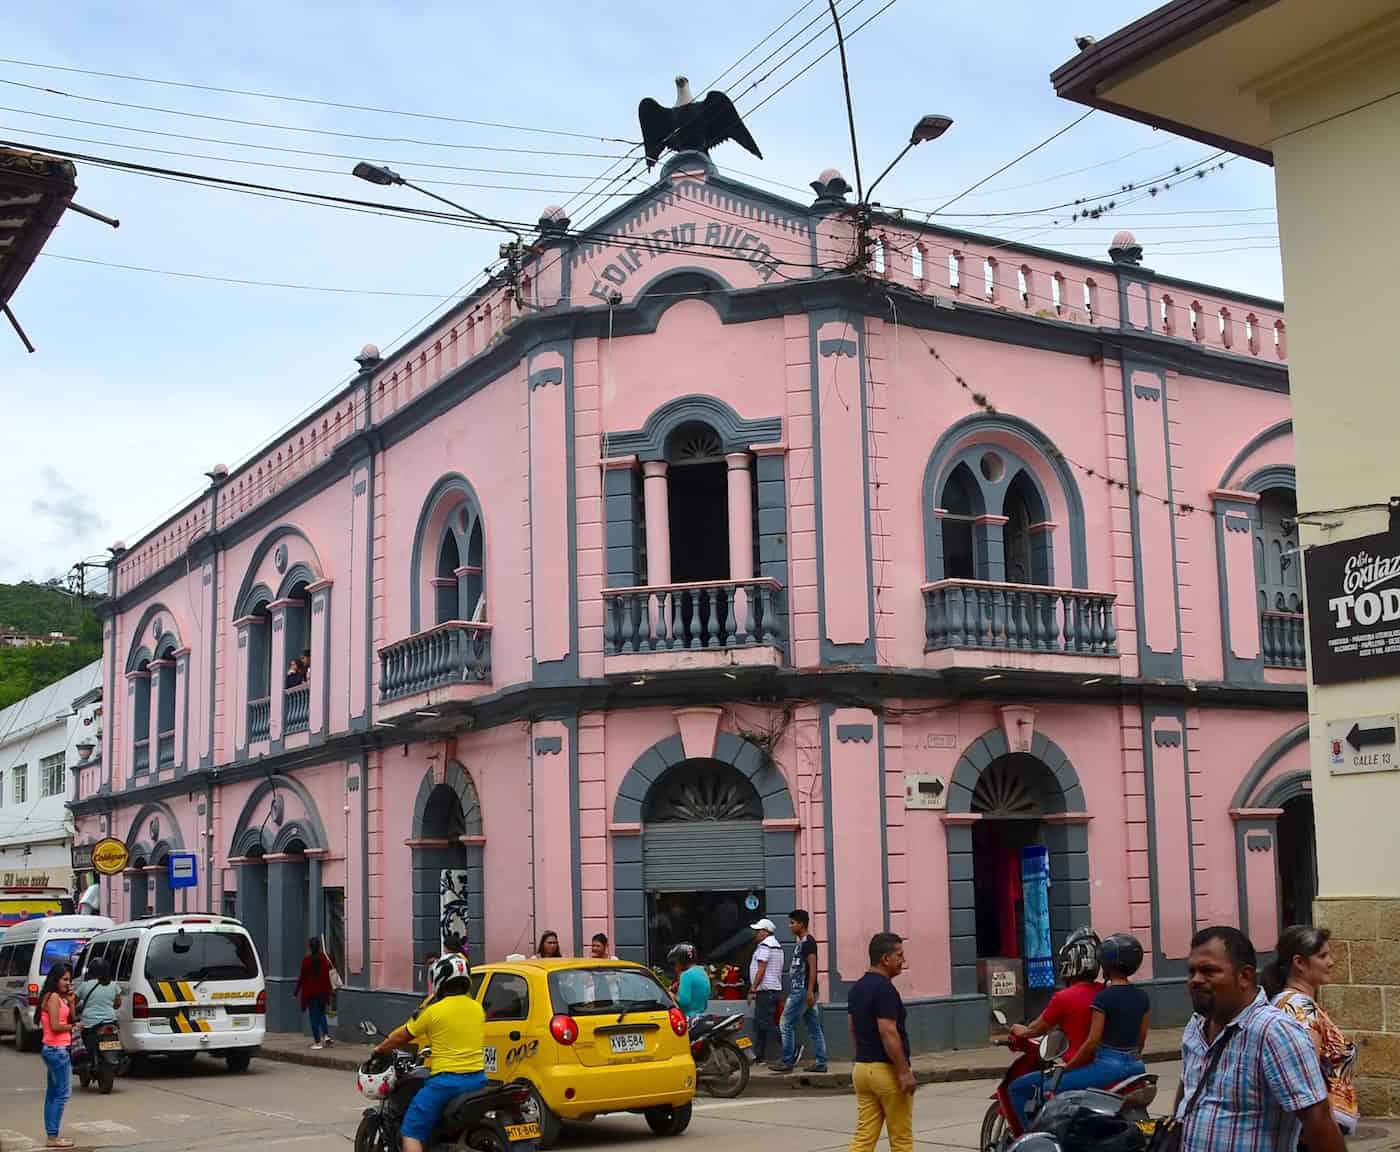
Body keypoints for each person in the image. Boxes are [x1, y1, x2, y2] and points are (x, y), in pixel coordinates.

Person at [1176, 926, 1345, 1152]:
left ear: (1244, 976)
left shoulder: (1275, 1032)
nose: (1196, 980)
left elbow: (1319, 1121)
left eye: (1208, 971)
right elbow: (1187, 1093)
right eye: (1192, 971)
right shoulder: (1195, 1026)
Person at [371, 954, 486, 1152]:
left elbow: (403, 1036)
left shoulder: (433, 1012)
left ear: (439, 980)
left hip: (447, 1083)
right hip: (479, 1080)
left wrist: (380, 1048)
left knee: (412, 1131)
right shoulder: (477, 1008)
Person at [1264, 925, 1360, 1139]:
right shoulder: (1301, 1010)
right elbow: (1308, 1076)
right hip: (1315, 1131)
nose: (1331, 962)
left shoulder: (1294, 1003)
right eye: (1322, 956)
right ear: (1299, 962)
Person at [1007, 925, 1104, 1126]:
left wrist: (1018, 1030)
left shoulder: (1063, 998)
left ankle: (1033, 1140)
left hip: (1074, 1068)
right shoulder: (1105, 991)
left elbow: (1035, 1029)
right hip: (1103, 1068)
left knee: (1017, 1089)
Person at [1048, 934, 1150, 1107]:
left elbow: (1092, 1043)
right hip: (1137, 1067)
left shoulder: (1103, 998)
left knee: (1050, 1088)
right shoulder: (1143, 997)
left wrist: (1068, 1068)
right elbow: (1141, 1041)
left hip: (1107, 1067)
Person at [848, 932, 914, 1152]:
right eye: (900, 955)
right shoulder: (884, 989)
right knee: (901, 1139)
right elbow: (888, 1032)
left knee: (864, 1137)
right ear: (885, 959)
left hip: (862, 1070)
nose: (903, 961)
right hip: (886, 1072)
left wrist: (863, 1056)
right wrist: (903, 1071)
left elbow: (852, 1028)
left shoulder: (857, 988)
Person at [772, 908, 827, 1073]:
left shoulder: (808, 942)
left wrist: (809, 991)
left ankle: (787, 1061)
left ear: (801, 924)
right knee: (813, 1026)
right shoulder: (802, 943)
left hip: (802, 991)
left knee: (785, 1023)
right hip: (803, 990)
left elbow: (813, 967)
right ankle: (821, 1062)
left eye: (792, 923)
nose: (789, 926)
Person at [37, 962, 76, 1148]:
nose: (67, 983)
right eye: (64, 979)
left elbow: (70, 1017)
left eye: (69, 979)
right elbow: (55, 1026)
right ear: (55, 979)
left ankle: (51, 1135)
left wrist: (71, 1001)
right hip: (57, 1050)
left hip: (54, 1050)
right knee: (62, 1094)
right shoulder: (52, 997)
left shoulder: (56, 997)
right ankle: (53, 1137)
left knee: (53, 1094)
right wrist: (74, 1027)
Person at [747, 918, 785, 1064]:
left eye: (758, 931)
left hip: (765, 992)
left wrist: (752, 989)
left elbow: (761, 969)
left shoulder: (765, 946)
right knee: (761, 1025)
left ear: (765, 932)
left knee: (767, 1024)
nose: (756, 934)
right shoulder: (777, 946)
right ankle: (759, 1055)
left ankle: (790, 1048)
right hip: (773, 990)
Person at [73, 955, 123, 1060]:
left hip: (89, 1024)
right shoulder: (113, 985)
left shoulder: (84, 985)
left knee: (82, 1042)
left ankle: (85, 1059)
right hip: (110, 1022)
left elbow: (73, 1003)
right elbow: (118, 1004)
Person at [294, 937, 334, 1050]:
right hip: (322, 992)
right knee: (322, 1014)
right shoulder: (324, 959)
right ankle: (326, 1035)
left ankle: (317, 1042)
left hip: (311, 993)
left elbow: (302, 977)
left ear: (310, 948)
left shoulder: (306, 961)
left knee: (313, 1017)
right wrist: (329, 992)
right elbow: (327, 976)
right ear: (319, 947)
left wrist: (296, 991)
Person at [670, 943, 710, 1020]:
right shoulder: (702, 972)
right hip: (700, 1017)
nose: (675, 966)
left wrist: (670, 994)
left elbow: (684, 1002)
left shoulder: (686, 975)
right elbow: (705, 1004)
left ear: (682, 961)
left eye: (676, 962)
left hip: (688, 1019)